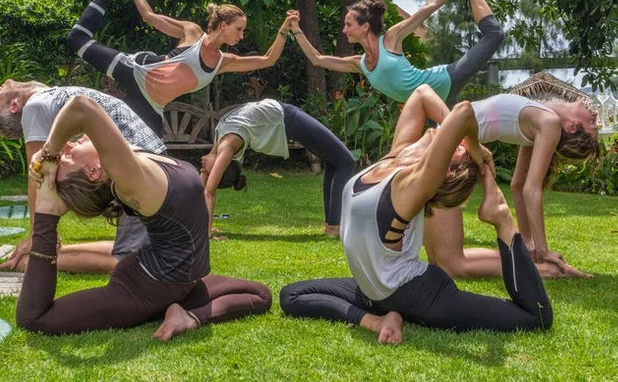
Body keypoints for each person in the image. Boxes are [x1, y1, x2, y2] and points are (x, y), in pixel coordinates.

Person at [280, 85, 553, 343]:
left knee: (535, 317)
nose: (453, 140)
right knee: (291, 295)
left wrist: (474, 147)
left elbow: (463, 112)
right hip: (374, 292)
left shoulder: (412, 186)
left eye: (457, 149)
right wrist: (470, 146)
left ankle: (502, 218)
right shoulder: (396, 156)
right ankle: (377, 320)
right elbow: (421, 94)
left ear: (446, 172)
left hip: (420, 293)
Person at [16, 94, 271, 338]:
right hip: (144, 289)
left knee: (261, 295)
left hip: (179, 281)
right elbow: (81, 107)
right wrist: (48, 157)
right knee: (35, 319)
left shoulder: (132, 158)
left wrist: (196, 315)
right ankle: (48, 212)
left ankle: (185, 315)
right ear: (94, 171)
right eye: (68, 156)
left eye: (65, 152)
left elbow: (85, 109)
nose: (68, 145)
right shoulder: (129, 179)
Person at [66, 0, 297, 136]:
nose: (242, 35)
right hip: (135, 70)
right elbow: (148, 16)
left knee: (154, 161)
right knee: (77, 40)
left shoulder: (223, 61)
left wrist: (284, 29)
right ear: (223, 25)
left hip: (152, 105)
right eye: (239, 29)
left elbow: (268, 59)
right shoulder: (192, 32)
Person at [0, 79, 165, 273]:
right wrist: (37, 237)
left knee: (130, 257)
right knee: (130, 255)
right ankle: (39, 258)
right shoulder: (36, 106)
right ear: (14, 106)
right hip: (143, 168)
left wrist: (38, 241)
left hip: (139, 170)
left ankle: (32, 261)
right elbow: (38, 174)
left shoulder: (48, 98)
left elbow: (39, 171)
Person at [423, 90, 599, 278]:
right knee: (443, 263)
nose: (595, 115)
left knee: (446, 265)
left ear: (572, 126)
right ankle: (540, 267)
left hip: (444, 154)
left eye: (592, 123)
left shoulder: (549, 122)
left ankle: (546, 269)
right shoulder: (542, 115)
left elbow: (529, 189)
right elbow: (518, 185)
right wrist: (528, 241)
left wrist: (541, 249)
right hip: (441, 150)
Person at [291, 0, 504, 106]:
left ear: (365, 26)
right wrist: (295, 29)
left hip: (446, 79)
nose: (344, 30)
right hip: (431, 104)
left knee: (495, 35)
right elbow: (317, 59)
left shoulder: (391, 39)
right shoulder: (360, 64)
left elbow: (427, 8)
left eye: (348, 24)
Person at [200, 99, 355, 237]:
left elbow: (201, 189)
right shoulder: (227, 146)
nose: (202, 168)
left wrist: (203, 227)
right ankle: (334, 225)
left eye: (204, 171)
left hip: (285, 115)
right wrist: (206, 233)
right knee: (346, 161)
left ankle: (331, 224)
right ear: (222, 166)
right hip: (288, 118)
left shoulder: (219, 141)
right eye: (207, 171)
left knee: (333, 162)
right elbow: (208, 192)